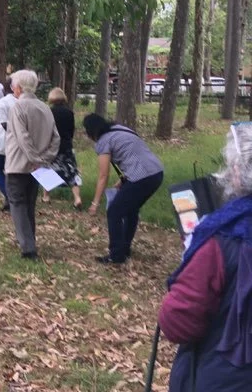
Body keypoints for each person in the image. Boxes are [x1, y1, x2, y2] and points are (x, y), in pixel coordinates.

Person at [158, 124, 252, 390]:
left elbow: (178, 322)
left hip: (228, 376)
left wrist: (194, 254)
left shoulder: (221, 238)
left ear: (236, 173)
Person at [83, 113, 163, 264]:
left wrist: (95, 203)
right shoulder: (121, 129)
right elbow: (133, 153)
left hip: (142, 176)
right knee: (130, 210)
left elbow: (103, 175)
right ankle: (124, 250)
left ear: (91, 131)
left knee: (114, 212)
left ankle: (116, 255)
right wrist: (124, 178)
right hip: (156, 172)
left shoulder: (103, 142)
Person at [5, 70, 60, 260]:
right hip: (38, 167)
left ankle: (28, 248)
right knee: (28, 205)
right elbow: (56, 139)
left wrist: (36, 159)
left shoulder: (18, 108)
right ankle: (29, 238)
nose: (13, 89)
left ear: (19, 88)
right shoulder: (45, 107)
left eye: (13, 86)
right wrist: (45, 159)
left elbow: (23, 138)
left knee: (18, 204)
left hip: (19, 165)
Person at [45, 88, 83, 209]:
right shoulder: (69, 112)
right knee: (72, 171)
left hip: (52, 145)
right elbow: (71, 130)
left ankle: (46, 196)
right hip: (66, 145)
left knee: (49, 170)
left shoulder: (48, 112)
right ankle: (77, 198)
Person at [0, 77, 16, 212]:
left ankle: (9, 195)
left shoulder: (2, 103)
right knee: (11, 171)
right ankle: (8, 200)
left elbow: (4, 124)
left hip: (4, 142)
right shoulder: (22, 102)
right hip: (19, 145)